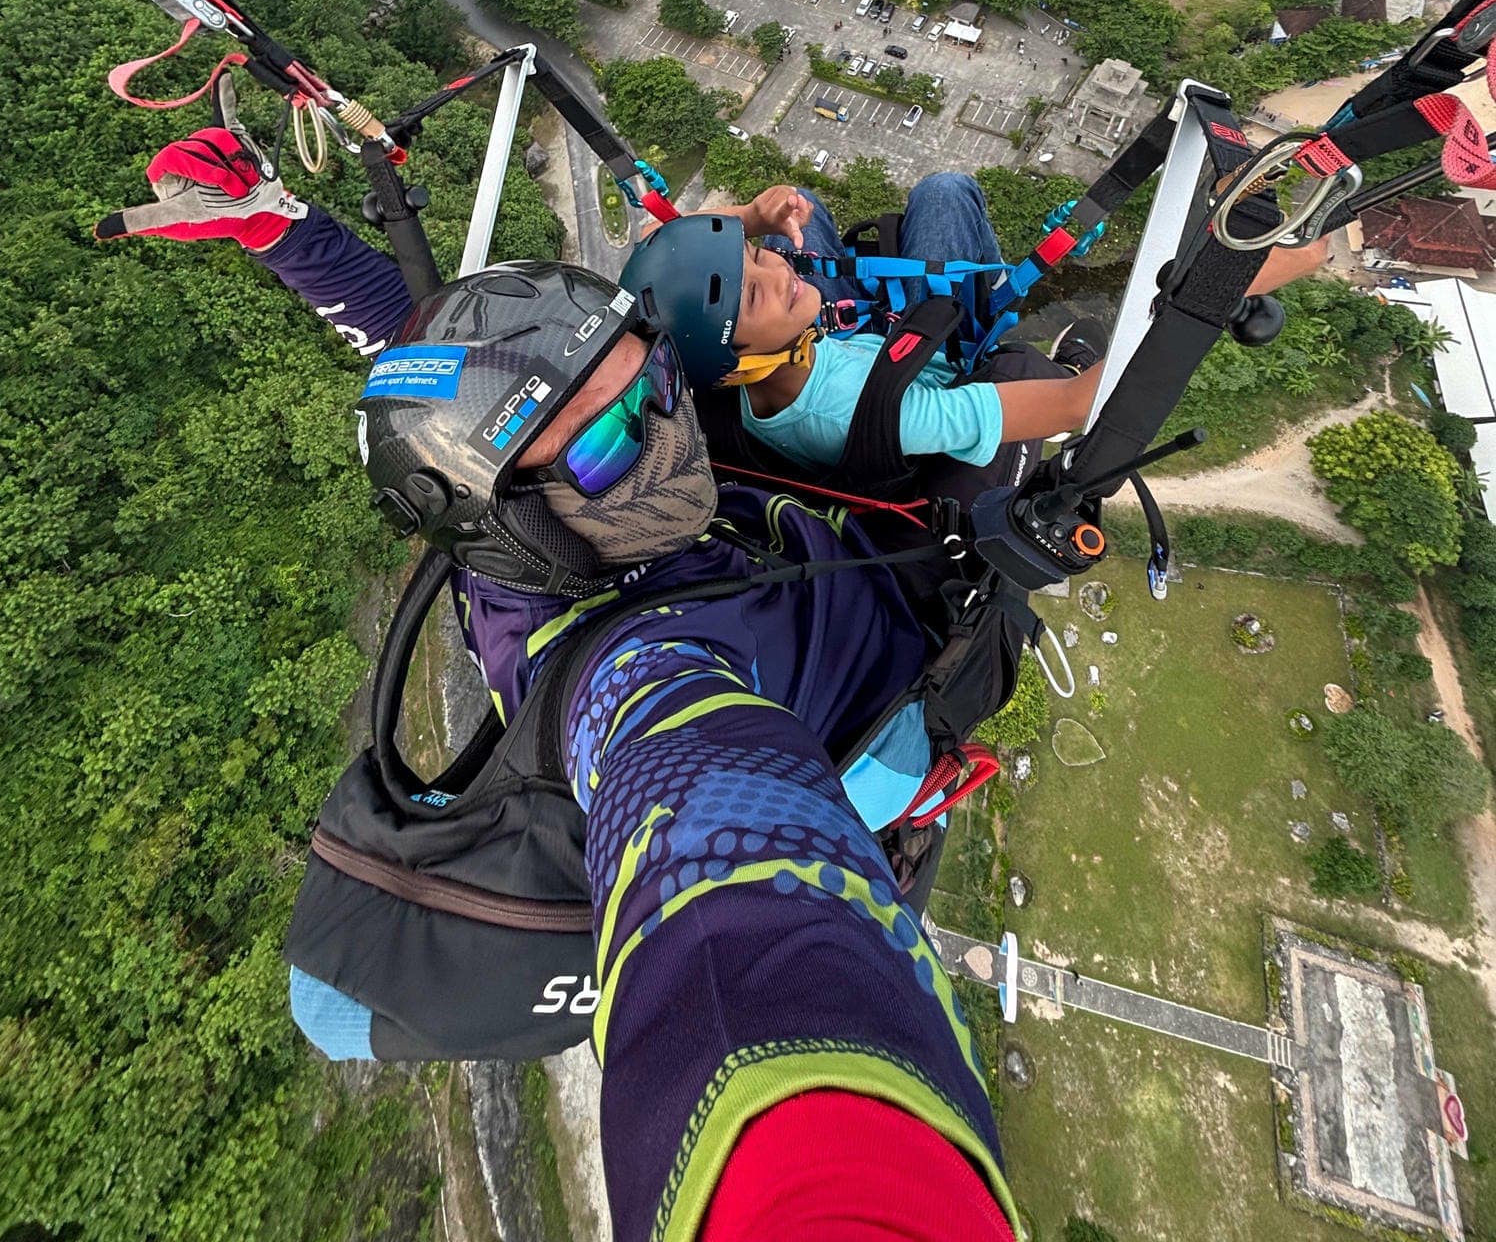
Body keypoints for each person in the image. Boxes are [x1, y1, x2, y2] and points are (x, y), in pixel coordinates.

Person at [99, 95, 1021, 1242]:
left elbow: (461, 366)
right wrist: (822, 1168)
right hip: (919, 586)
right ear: (524, 521)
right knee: (947, 221)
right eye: (609, 438)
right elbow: (701, 815)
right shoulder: (629, 668)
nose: (666, 428)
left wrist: (277, 228)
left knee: (846, 220)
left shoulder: (563, 485)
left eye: (657, 382)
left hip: (826, 534)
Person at [620, 176, 1328, 482]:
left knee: (799, 207)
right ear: (734, 355)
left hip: (843, 350)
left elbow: (730, 278)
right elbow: (1080, 404)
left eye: (752, 257)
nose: (777, 270)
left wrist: (753, 218)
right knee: (947, 191)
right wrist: (1208, 297)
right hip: (914, 362)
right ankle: (990, 306)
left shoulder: (756, 368)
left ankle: (759, 255)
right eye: (751, 294)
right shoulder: (891, 412)